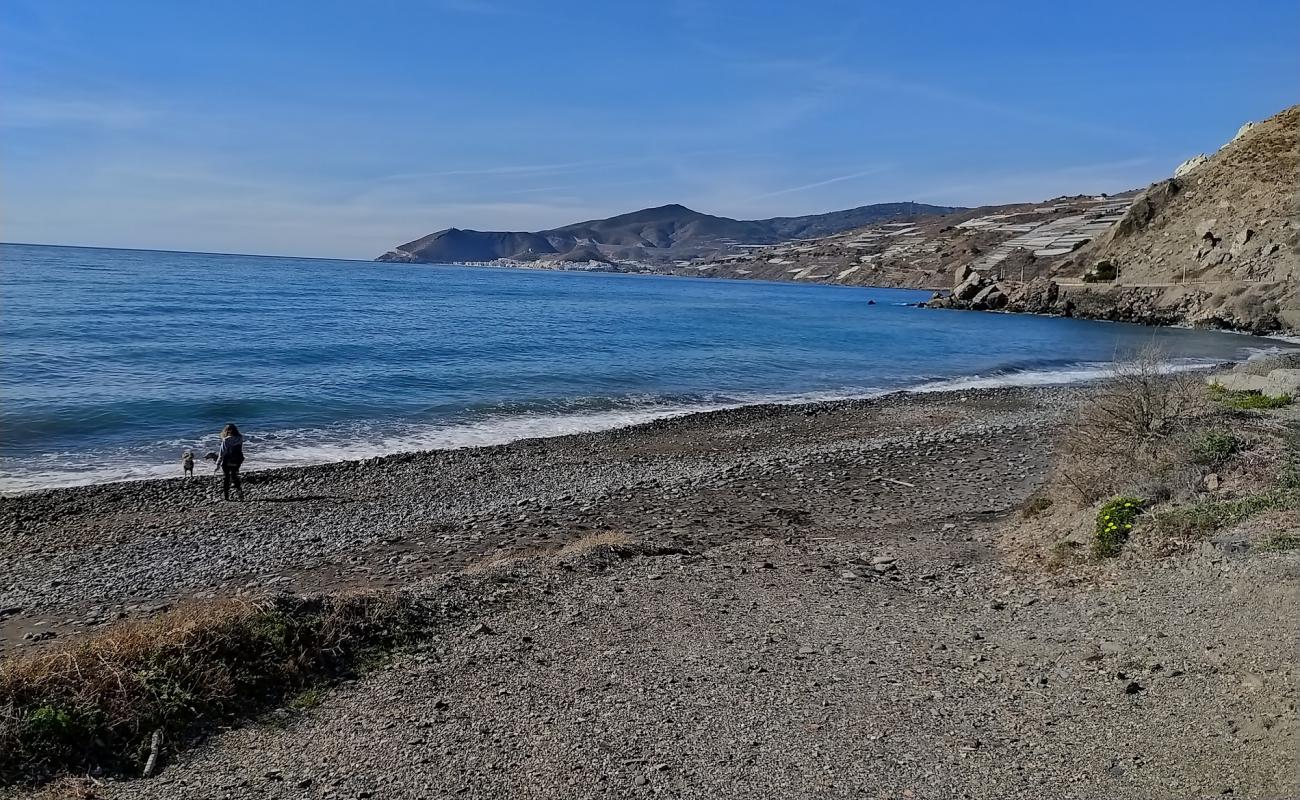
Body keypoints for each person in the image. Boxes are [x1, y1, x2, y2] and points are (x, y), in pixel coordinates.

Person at [215, 423, 246, 501]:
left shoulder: (226, 440)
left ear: (226, 431)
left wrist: (218, 464)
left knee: (226, 478)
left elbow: (222, 453)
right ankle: (239, 492)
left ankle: (226, 497)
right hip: (237, 460)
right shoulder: (240, 437)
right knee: (234, 476)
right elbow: (240, 449)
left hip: (227, 460)